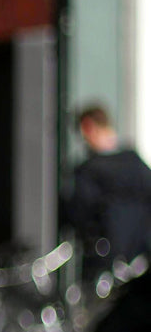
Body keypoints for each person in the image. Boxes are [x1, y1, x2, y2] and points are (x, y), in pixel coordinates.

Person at [65, 103, 151, 274]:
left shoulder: (89, 172)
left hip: (104, 269)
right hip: (141, 265)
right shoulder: (136, 164)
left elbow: (79, 215)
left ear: (88, 127)